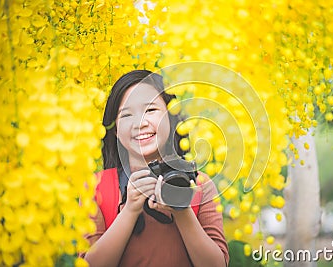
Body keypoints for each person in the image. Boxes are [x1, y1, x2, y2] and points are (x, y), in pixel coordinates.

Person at [83, 70, 229, 267]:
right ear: (116, 130)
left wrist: (182, 210)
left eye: (150, 110)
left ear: (171, 117)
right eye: (126, 115)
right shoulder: (95, 186)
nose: (140, 124)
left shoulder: (200, 185)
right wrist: (130, 209)